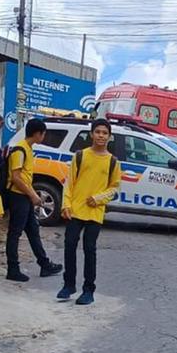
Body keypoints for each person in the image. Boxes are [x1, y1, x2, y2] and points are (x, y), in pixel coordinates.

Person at [58, 119, 121, 305]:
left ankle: (88, 290)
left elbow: (115, 188)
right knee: (69, 245)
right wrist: (66, 205)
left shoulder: (112, 162)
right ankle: (68, 285)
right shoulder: (80, 156)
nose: (101, 135)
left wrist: (99, 198)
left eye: (104, 132)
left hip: (95, 212)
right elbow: (69, 182)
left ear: (109, 137)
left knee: (89, 249)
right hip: (76, 210)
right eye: (98, 132)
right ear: (91, 134)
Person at [5, 118, 63, 282]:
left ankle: (44, 264)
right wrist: (32, 195)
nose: (44, 136)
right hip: (18, 196)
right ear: (38, 133)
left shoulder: (28, 149)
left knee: (33, 230)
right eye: (43, 133)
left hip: (25, 195)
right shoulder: (20, 150)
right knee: (15, 233)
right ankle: (13, 268)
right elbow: (16, 178)